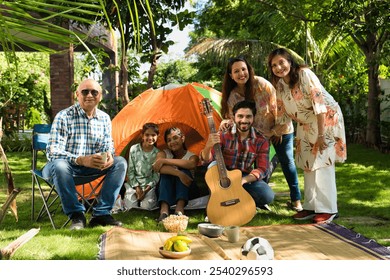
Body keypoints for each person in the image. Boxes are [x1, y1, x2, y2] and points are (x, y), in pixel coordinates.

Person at [268, 48, 347, 223]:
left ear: (290, 61)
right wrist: (268, 133)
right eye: (274, 65)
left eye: (281, 62)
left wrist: (320, 135)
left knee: (323, 162)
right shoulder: (280, 85)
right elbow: (282, 115)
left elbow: (319, 106)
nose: (279, 67)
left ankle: (328, 209)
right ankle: (311, 206)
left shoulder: (305, 75)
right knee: (308, 164)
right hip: (304, 123)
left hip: (325, 118)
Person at [42, 78, 127, 230]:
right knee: (60, 165)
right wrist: (80, 160)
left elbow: (108, 143)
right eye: (85, 91)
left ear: (100, 96)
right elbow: (53, 152)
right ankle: (77, 216)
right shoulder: (64, 116)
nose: (89, 95)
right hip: (62, 168)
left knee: (120, 162)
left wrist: (108, 154)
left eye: (94, 92)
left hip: (91, 168)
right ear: (77, 95)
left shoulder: (104, 118)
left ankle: (101, 214)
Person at [220, 56, 302, 211]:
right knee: (259, 166)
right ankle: (259, 199)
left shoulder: (262, 84)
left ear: (249, 69)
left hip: (280, 129)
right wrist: (225, 123)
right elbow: (233, 118)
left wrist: (277, 130)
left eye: (243, 69)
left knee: (287, 162)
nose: (241, 73)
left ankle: (296, 200)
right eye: (236, 71)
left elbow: (279, 106)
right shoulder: (233, 96)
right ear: (231, 75)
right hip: (256, 136)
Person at [200, 100, 275, 210]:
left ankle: (242, 200)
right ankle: (217, 201)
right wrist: (208, 146)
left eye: (248, 116)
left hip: (244, 178)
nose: (244, 120)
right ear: (233, 117)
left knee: (267, 195)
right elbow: (207, 160)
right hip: (222, 177)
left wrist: (243, 181)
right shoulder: (223, 135)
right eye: (240, 116)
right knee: (212, 167)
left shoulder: (261, 140)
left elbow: (262, 169)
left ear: (253, 118)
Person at [152, 127, 199, 222]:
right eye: (169, 140)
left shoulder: (192, 156)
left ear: (182, 138)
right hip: (166, 190)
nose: (172, 142)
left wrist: (165, 161)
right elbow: (157, 167)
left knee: (184, 169)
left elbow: (191, 164)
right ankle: (164, 211)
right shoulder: (163, 153)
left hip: (187, 190)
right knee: (167, 174)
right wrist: (179, 174)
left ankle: (179, 209)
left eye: (175, 138)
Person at [124, 123, 160, 210]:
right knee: (130, 207)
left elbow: (156, 175)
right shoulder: (134, 149)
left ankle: (148, 197)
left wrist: (146, 190)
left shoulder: (158, 153)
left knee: (147, 207)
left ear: (157, 136)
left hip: (148, 185)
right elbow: (130, 171)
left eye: (153, 135)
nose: (150, 138)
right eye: (147, 135)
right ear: (142, 136)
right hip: (134, 184)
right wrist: (137, 188)